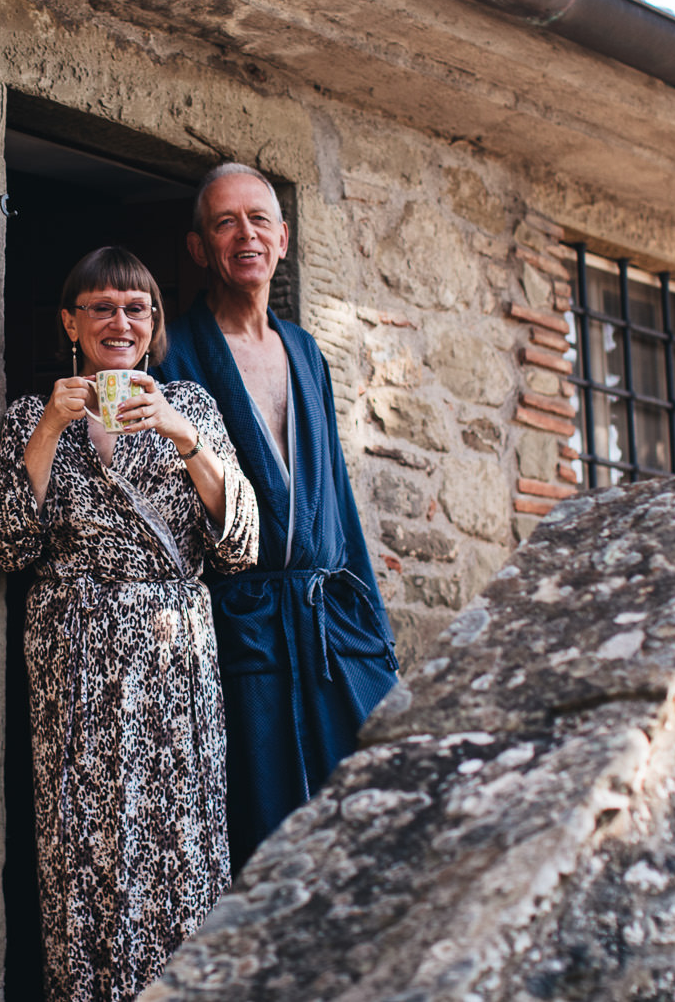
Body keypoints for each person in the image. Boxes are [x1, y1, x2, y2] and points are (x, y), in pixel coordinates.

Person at [0, 246, 258, 1002]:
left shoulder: (194, 407)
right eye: (101, 306)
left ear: (153, 323)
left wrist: (179, 433)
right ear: (71, 321)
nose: (120, 321)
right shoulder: (28, 419)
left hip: (174, 665)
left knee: (181, 847)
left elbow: (242, 544)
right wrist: (48, 428)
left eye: (136, 307)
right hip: (76, 665)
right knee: (85, 849)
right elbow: (10, 544)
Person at [155, 163, 401, 872]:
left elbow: (341, 506)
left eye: (259, 219)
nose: (246, 235)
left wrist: (377, 639)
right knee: (265, 840)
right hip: (245, 631)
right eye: (225, 222)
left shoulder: (305, 351)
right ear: (200, 247)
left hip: (330, 628)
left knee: (369, 815)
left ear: (283, 238)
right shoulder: (179, 352)